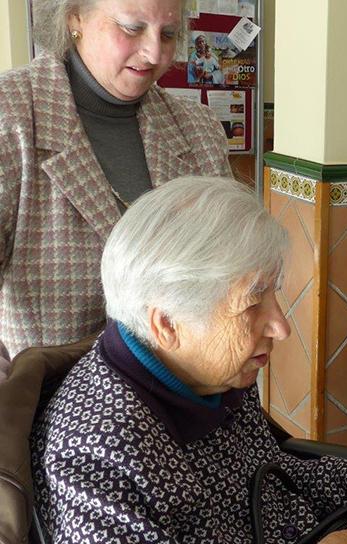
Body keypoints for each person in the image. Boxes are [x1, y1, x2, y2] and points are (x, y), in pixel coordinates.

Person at [31, 176, 347, 544]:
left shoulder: (204, 373)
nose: (280, 326)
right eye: (252, 303)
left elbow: (264, 472)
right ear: (166, 323)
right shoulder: (98, 452)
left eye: (273, 294)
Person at [0, 0, 231, 377]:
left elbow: (226, 271)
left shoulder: (197, 127)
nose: (155, 53)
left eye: (168, 34)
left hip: (184, 397)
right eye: (131, 28)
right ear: (75, 18)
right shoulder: (11, 116)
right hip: (57, 412)